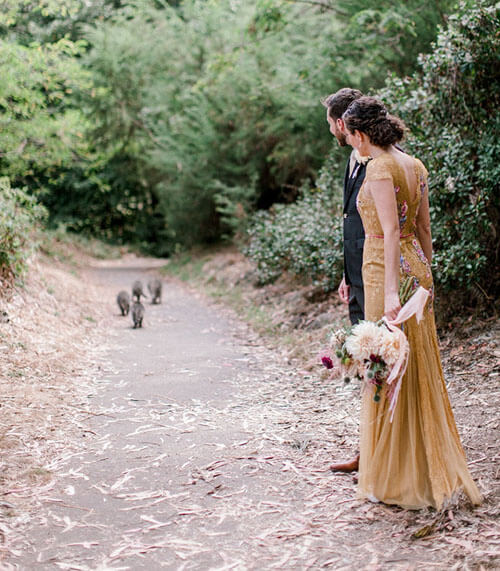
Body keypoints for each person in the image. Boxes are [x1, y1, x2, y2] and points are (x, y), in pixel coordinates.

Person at [341, 96, 481, 509]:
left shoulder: (380, 167)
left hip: (388, 271)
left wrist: (388, 294)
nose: (352, 143)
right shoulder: (415, 164)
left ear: (362, 134)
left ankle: (398, 475)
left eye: (351, 136)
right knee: (413, 366)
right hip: (415, 270)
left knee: (389, 369)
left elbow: (386, 231)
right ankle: (413, 463)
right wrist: (426, 278)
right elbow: (423, 230)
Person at [323, 88, 365, 473]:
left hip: (374, 274)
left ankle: (374, 453)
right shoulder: (353, 160)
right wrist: (345, 273)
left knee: (376, 361)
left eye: (330, 126)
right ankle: (368, 449)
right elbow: (353, 222)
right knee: (368, 363)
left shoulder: (373, 161)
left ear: (341, 123)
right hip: (357, 276)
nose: (331, 134)